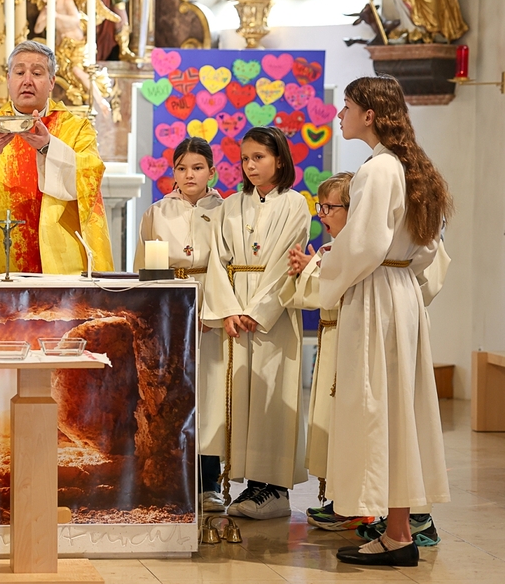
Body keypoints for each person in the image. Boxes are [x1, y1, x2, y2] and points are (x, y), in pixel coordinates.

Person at [320, 75, 452, 567]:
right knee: (398, 412)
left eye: (347, 106)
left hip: (375, 292)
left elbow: (364, 244)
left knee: (377, 408)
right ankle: (398, 532)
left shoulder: (377, 170)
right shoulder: (410, 166)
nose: (341, 114)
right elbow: (428, 249)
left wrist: (323, 273)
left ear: (370, 115)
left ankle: (398, 536)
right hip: (400, 291)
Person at [202, 125, 310, 519]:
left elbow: (285, 262)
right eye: (245, 158)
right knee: (241, 399)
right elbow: (217, 261)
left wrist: (256, 311)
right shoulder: (231, 205)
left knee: (271, 397)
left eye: (258, 157)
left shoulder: (295, 204)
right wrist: (229, 309)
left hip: (272, 317)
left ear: (279, 160)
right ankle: (250, 485)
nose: (250, 165)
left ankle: (275, 489)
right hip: (236, 315)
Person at [0, 41, 113, 274]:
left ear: (51, 82)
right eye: (19, 73)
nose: (27, 80)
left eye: (37, 73)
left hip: (60, 260)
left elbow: (90, 176)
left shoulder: (76, 128)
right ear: (8, 79)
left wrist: (48, 146)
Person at [282, 172, 377, 531]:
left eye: (329, 207)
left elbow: (340, 290)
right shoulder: (329, 251)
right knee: (329, 423)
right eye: (319, 207)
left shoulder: (361, 252)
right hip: (331, 336)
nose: (322, 214)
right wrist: (305, 271)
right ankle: (341, 499)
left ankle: (358, 504)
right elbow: (310, 297)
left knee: (348, 424)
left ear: (354, 209)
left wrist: (313, 269)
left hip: (351, 341)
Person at [134, 138, 225, 512]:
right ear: (173, 172)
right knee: (172, 393)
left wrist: (214, 309)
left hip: (211, 305)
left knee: (210, 394)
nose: (190, 175)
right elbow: (144, 267)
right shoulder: (157, 212)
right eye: (182, 168)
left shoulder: (226, 210)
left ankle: (209, 481)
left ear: (212, 172)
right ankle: (172, 476)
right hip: (171, 306)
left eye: (198, 168)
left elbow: (227, 265)